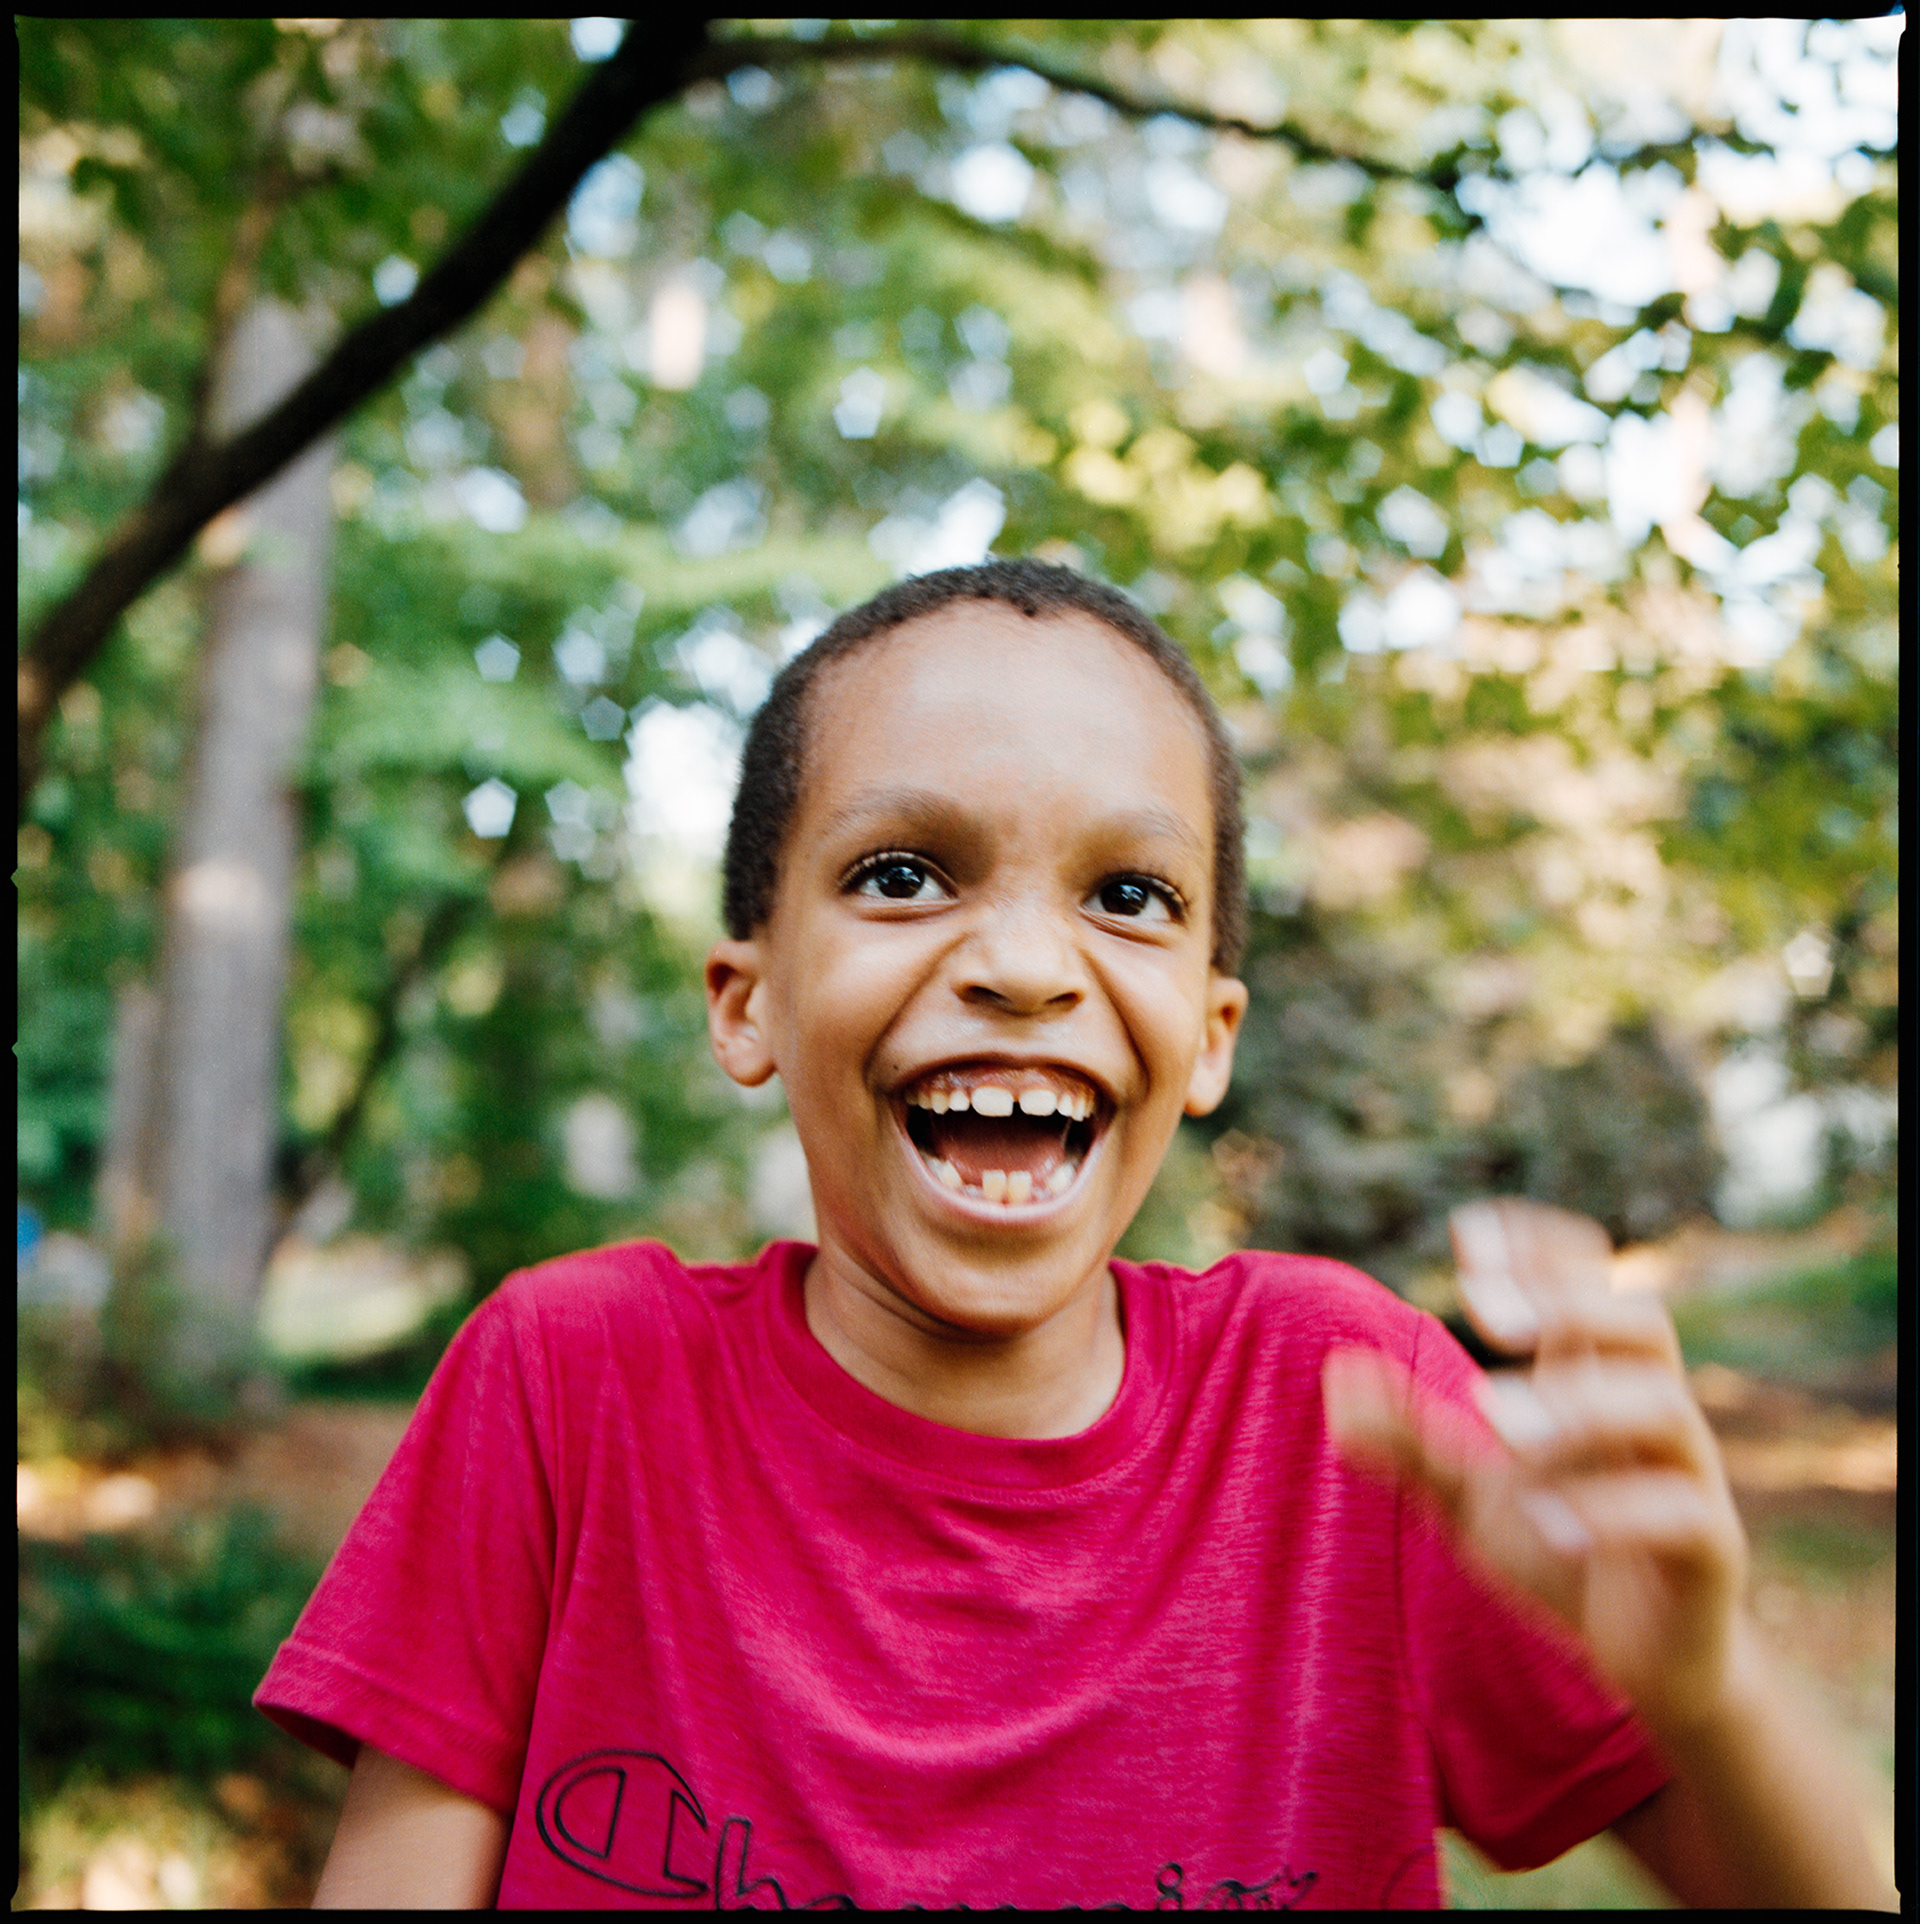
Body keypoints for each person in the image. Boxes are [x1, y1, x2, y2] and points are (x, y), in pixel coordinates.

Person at [258, 559, 1890, 1909]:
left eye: (1129, 897)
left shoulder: (1350, 1416)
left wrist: (1710, 1691)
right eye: (906, 874)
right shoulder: (570, 1385)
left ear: (1211, 1034)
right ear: (749, 1001)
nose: (1028, 967)